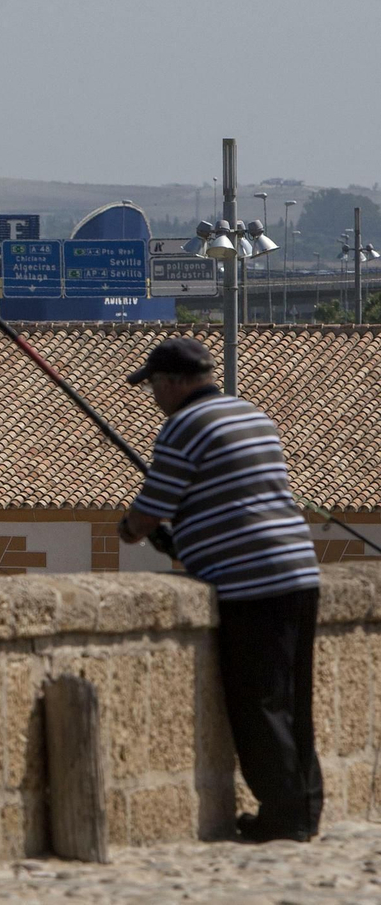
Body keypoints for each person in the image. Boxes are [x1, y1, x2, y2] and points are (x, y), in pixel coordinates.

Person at [116, 336, 322, 843]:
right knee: (294, 698)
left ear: (174, 382)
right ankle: (306, 808)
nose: (155, 398)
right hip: (299, 570)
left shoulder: (182, 427)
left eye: (155, 387)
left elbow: (152, 506)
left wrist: (130, 530)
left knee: (259, 702)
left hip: (249, 583)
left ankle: (281, 817)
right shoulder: (253, 415)